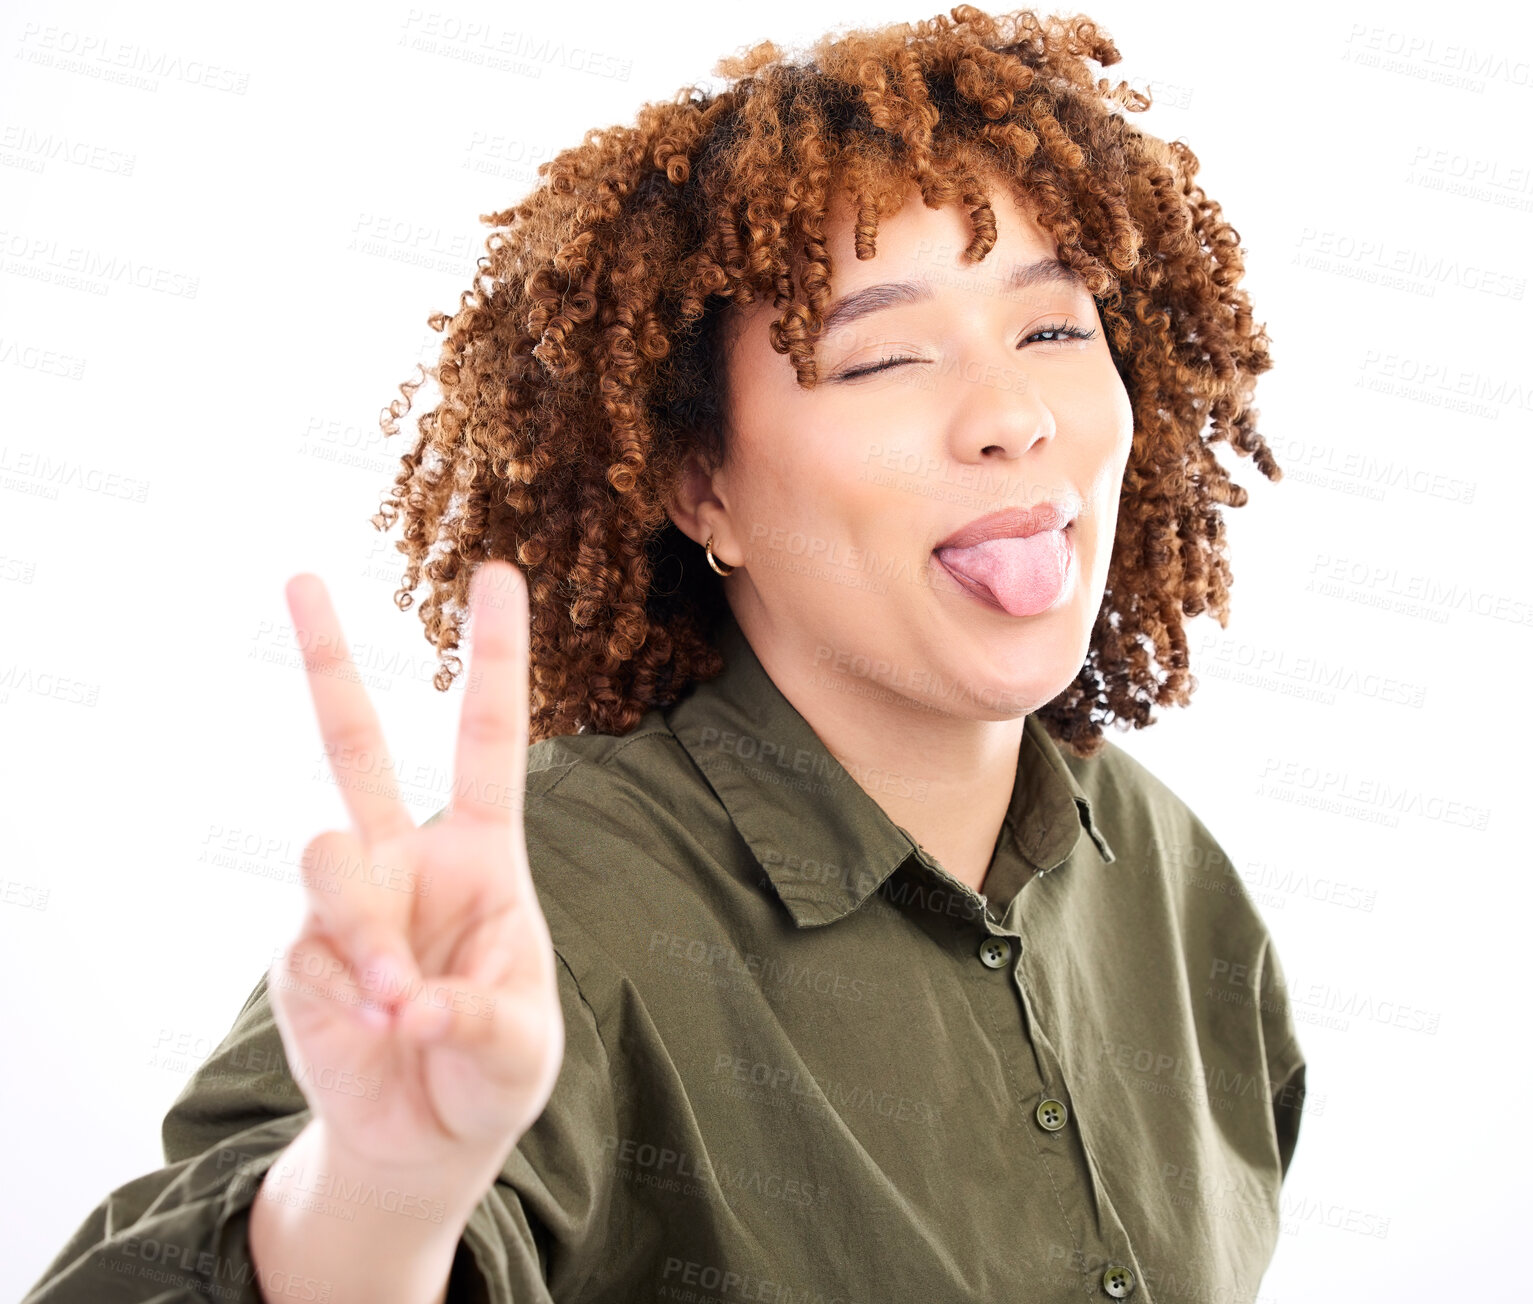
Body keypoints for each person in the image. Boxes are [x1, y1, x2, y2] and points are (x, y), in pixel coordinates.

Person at [24, 7, 1306, 1302]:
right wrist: (382, 1191)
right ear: (702, 491)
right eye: (882, 358)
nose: (1013, 417)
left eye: (1051, 330)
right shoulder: (546, 909)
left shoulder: (1168, 877)